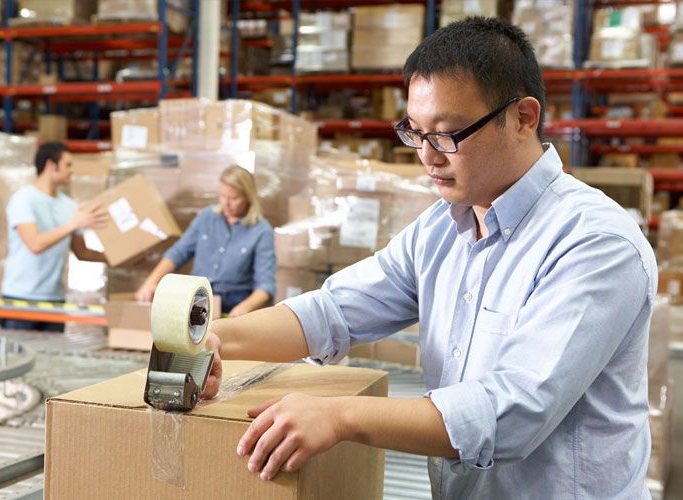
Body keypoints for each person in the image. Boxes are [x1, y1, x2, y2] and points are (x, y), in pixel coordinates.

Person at [202, 17, 657, 499]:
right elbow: (335, 311)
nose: (427, 156)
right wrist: (218, 337)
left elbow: (516, 409)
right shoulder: (442, 227)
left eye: (448, 134)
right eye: (415, 132)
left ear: (523, 117)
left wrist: (339, 415)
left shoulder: (595, 241)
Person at [135, 165, 275, 317]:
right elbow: (178, 252)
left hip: (230, 307)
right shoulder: (207, 217)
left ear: (248, 197)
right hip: (195, 301)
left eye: (234, 198)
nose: (226, 203)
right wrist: (151, 282)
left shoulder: (262, 231)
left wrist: (245, 307)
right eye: (222, 196)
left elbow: (265, 285)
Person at [1, 141, 108, 331]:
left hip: (54, 299)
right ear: (51, 165)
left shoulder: (69, 206)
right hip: (21, 298)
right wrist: (74, 223)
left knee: (52, 359)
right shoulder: (23, 199)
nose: (71, 171)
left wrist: (117, 259)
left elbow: (82, 252)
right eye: (67, 165)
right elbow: (34, 244)